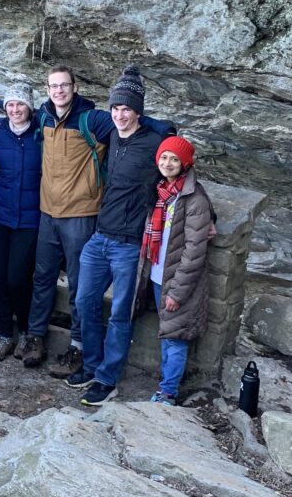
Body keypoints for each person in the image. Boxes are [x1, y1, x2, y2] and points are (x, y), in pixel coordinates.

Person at [20, 65, 173, 374]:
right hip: (48, 213)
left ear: (75, 87)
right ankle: (36, 337)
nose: (59, 91)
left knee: (80, 286)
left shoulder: (95, 120)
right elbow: (12, 110)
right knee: (43, 277)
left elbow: (137, 123)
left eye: (65, 85)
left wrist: (166, 130)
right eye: (53, 86)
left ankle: (77, 346)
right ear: (47, 90)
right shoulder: (44, 116)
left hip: (82, 215)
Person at [69, 64, 165, 406]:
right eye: (116, 108)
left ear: (138, 111)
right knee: (84, 300)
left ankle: (108, 379)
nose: (120, 114)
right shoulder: (110, 132)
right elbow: (72, 107)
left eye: (127, 108)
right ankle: (92, 366)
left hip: (129, 243)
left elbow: (181, 175)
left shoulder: (156, 142)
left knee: (121, 312)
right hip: (100, 236)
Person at [136, 136, 213, 406]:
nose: (167, 163)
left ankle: (168, 393)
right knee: (167, 333)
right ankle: (165, 386)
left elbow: (194, 252)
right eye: (164, 157)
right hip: (158, 275)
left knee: (174, 338)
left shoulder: (194, 199)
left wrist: (177, 292)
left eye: (174, 159)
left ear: (185, 163)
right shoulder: (160, 190)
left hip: (175, 281)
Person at [0, 83, 42, 360]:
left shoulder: (42, 133)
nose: (15, 109)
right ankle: (5, 333)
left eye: (21, 104)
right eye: (10, 105)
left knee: (18, 278)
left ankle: (28, 332)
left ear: (30, 107)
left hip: (30, 218)